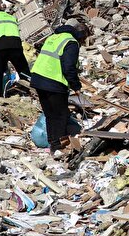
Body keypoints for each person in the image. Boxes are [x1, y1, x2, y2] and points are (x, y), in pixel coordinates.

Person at [30, 20, 88, 153]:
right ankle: (59, 146)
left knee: (50, 114)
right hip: (53, 81)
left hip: (38, 78)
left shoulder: (54, 37)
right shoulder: (71, 43)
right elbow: (68, 67)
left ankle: (53, 144)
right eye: (83, 39)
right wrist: (76, 86)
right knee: (61, 115)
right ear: (80, 35)